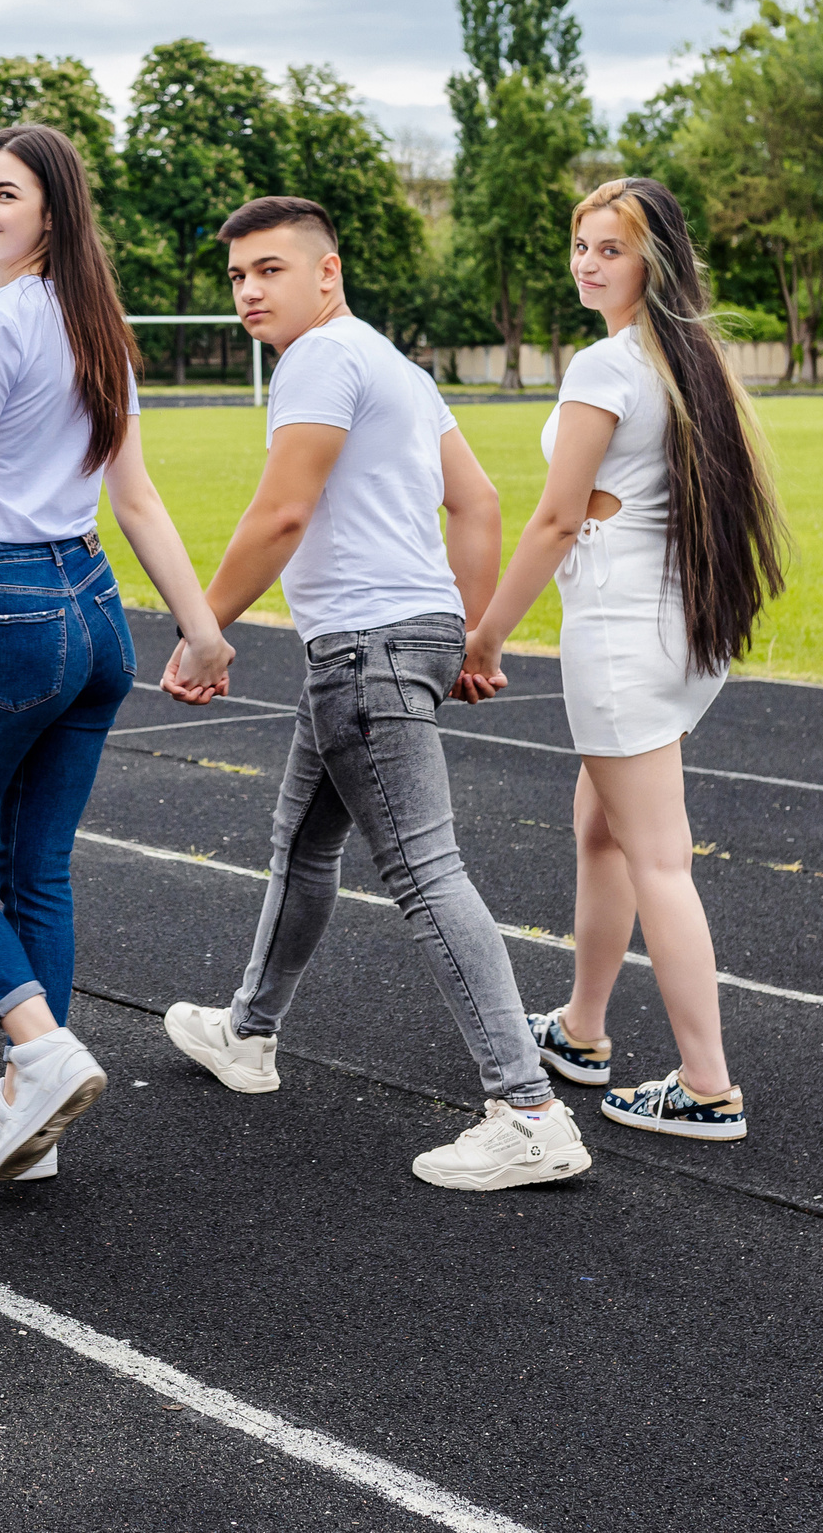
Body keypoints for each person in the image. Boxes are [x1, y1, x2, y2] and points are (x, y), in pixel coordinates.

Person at [161, 195, 594, 1192]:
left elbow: (280, 513)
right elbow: (476, 502)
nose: (247, 292)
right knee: (304, 843)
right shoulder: (396, 367)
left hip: (362, 645)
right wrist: (472, 636)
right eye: (235, 277)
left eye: (268, 269)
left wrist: (204, 630)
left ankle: (526, 1109)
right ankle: (249, 1032)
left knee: (423, 869)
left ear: (327, 271)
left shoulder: (318, 360)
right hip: (403, 633)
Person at [0, 123, 235, 1183]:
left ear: (52, 214)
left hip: (5, 606)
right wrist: (196, 626)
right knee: (35, 869)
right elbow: (134, 496)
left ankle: (40, 1052)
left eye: (4, 194)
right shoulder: (96, 323)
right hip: (93, 607)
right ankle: (30, 1122)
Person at [459, 176, 786, 1142]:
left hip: (621, 637)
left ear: (655, 259)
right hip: (681, 632)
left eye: (611, 248)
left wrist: (486, 634)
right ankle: (583, 1029)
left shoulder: (605, 367)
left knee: (656, 857)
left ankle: (706, 1084)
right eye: (581, 246)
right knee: (600, 828)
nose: (588, 264)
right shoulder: (684, 360)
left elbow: (558, 518)